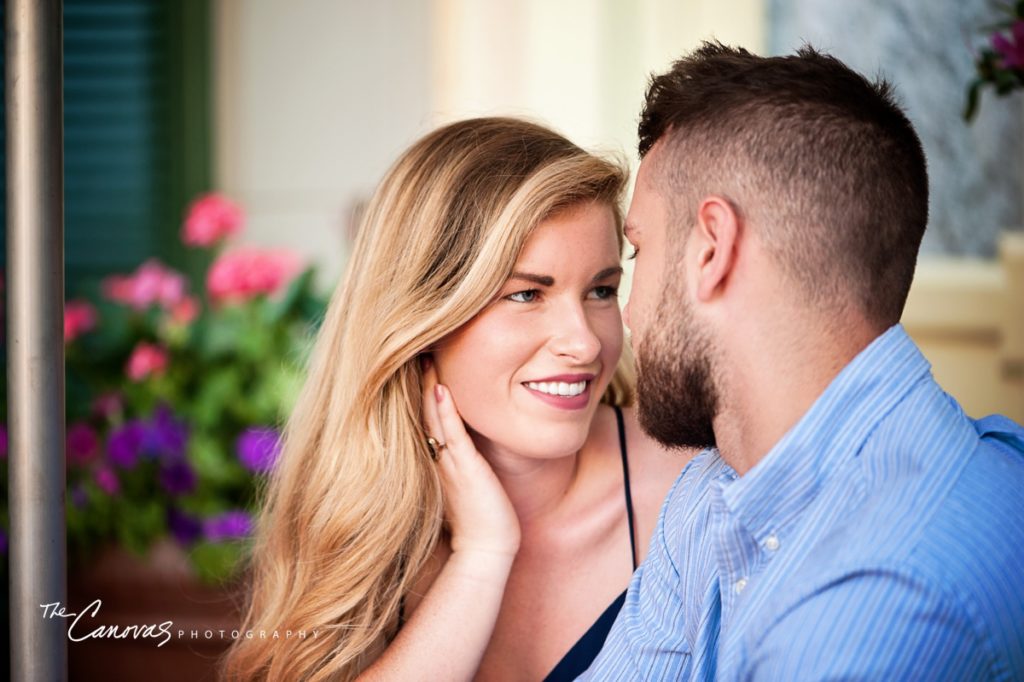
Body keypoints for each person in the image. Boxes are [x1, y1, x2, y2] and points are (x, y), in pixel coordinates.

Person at [583, 42, 1024, 680]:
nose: (627, 316)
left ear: (712, 249)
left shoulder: (875, 611)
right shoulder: (713, 491)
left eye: (637, 254)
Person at [221, 117, 692, 681]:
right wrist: (482, 557)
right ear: (423, 319)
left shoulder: (692, 494)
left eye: (601, 290)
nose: (585, 341)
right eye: (525, 294)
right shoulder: (356, 529)